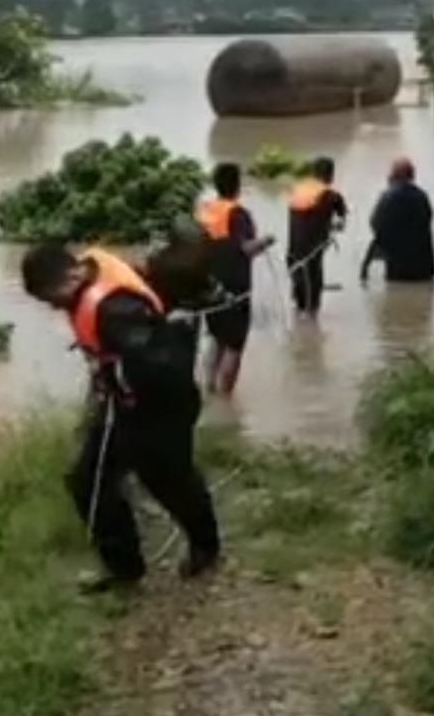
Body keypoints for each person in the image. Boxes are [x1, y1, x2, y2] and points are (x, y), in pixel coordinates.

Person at [20, 243, 221, 592]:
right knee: (87, 481)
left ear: (70, 274)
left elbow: (158, 365)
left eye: (52, 297)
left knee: (169, 479)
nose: (54, 307)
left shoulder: (114, 310)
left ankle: (206, 547)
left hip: (158, 405)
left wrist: (118, 379)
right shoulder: (94, 264)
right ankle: (125, 569)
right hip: (121, 402)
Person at [195, 162, 275, 394]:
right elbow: (246, 249)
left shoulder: (204, 211)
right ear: (238, 186)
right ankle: (225, 399)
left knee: (216, 338)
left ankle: (209, 389)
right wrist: (267, 241)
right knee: (234, 346)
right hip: (235, 290)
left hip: (208, 287)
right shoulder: (238, 214)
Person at [286, 156, 347, 315]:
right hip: (312, 255)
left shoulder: (297, 190)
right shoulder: (330, 195)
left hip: (293, 254)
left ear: (313, 173)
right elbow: (341, 216)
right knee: (313, 303)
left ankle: (300, 317)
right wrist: (337, 224)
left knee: (299, 299)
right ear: (330, 176)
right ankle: (312, 324)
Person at [360, 157, 434, 284]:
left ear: (394, 175)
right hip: (424, 269)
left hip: (398, 271)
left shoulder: (387, 196)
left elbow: (375, 224)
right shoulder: (422, 196)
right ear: (412, 175)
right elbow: (428, 218)